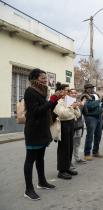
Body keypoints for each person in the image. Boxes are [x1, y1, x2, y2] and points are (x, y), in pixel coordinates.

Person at [23, 68, 60, 200]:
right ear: (34, 79)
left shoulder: (42, 91)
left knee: (40, 158)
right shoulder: (30, 92)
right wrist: (51, 100)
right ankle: (28, 189)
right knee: (30, 160)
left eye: (46, 77)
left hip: (43, 130)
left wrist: (55, 99)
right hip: (34, 131)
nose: (45, 80)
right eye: (42, 78)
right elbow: (35, 112)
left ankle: (42, 182)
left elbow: (46, 109)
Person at [54, 83, 81, 180]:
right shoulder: (58, 101)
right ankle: (61, 171)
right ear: (61, 91)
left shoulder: (69, 100)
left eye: (68, 91)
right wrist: (71, 107)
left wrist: (75, 107)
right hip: (63, 125)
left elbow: (77, 114)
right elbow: (62, 114)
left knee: (69, 148)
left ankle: (67, 167)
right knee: (63, 149)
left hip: (71, 124)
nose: (68, 92)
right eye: (66, 90)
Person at [81, 83, 103, 161]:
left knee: (98, 135)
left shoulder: (96, 95)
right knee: (90, 135)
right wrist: (98, 101)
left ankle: (95, 151)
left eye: (92, 88)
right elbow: (89, 106)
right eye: (90, 88)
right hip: (90, 117)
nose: (92, 89)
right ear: (86, 89)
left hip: (99, 117)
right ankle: (87, 153)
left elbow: (100, 104)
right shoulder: (84, 96)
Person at [69, 88, 86, 164]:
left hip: (79, 126)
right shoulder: (67, 103)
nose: (74, 94)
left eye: (75, 93)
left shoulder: (79, 103)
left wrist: (83, 105)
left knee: (77, 143)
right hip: (71, 126)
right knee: (70, 145)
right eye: (72, 93)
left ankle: (77, 158)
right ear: (69, 94)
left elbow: (85, 112)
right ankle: (69, 162)